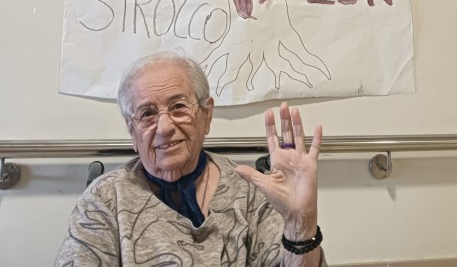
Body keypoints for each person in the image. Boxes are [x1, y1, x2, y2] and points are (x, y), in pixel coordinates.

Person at [56, 51, 326, 266]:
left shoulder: (252, 192)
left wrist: (300, 224)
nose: (164, 127)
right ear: (132, 133)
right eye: (147, 114)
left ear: (206, 116)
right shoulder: (103, 200)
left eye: (178, 107)